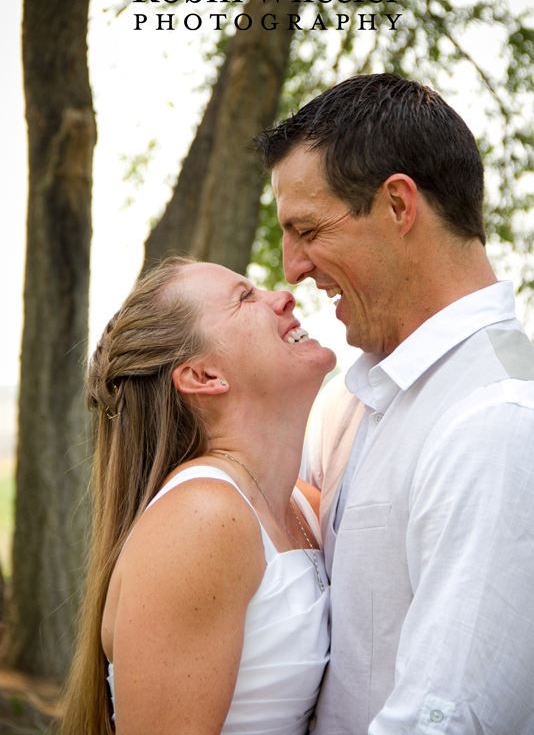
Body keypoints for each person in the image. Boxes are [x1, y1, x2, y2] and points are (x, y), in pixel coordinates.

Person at [256, 73, 534, 734]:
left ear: (399, 206)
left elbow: (446, 721)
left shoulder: (497, 422)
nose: (292, 267)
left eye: (308, 229)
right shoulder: (348, 400)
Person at [61, 256, 336, 735]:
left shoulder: (305, 506)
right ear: (204, 376)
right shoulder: (202, 519)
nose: (284, 295)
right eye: (246, 297)